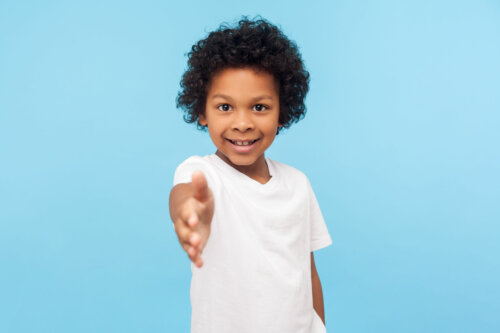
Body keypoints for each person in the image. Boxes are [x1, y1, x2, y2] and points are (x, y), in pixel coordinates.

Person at [169, 16, 333, 333]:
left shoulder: (298, 183)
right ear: (202, 112)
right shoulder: (201, 173)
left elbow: (308, 272)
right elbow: (185, 196)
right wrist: (189, 215)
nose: (242, 123)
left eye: (259, 107)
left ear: (282, 112)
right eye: (225, 107)